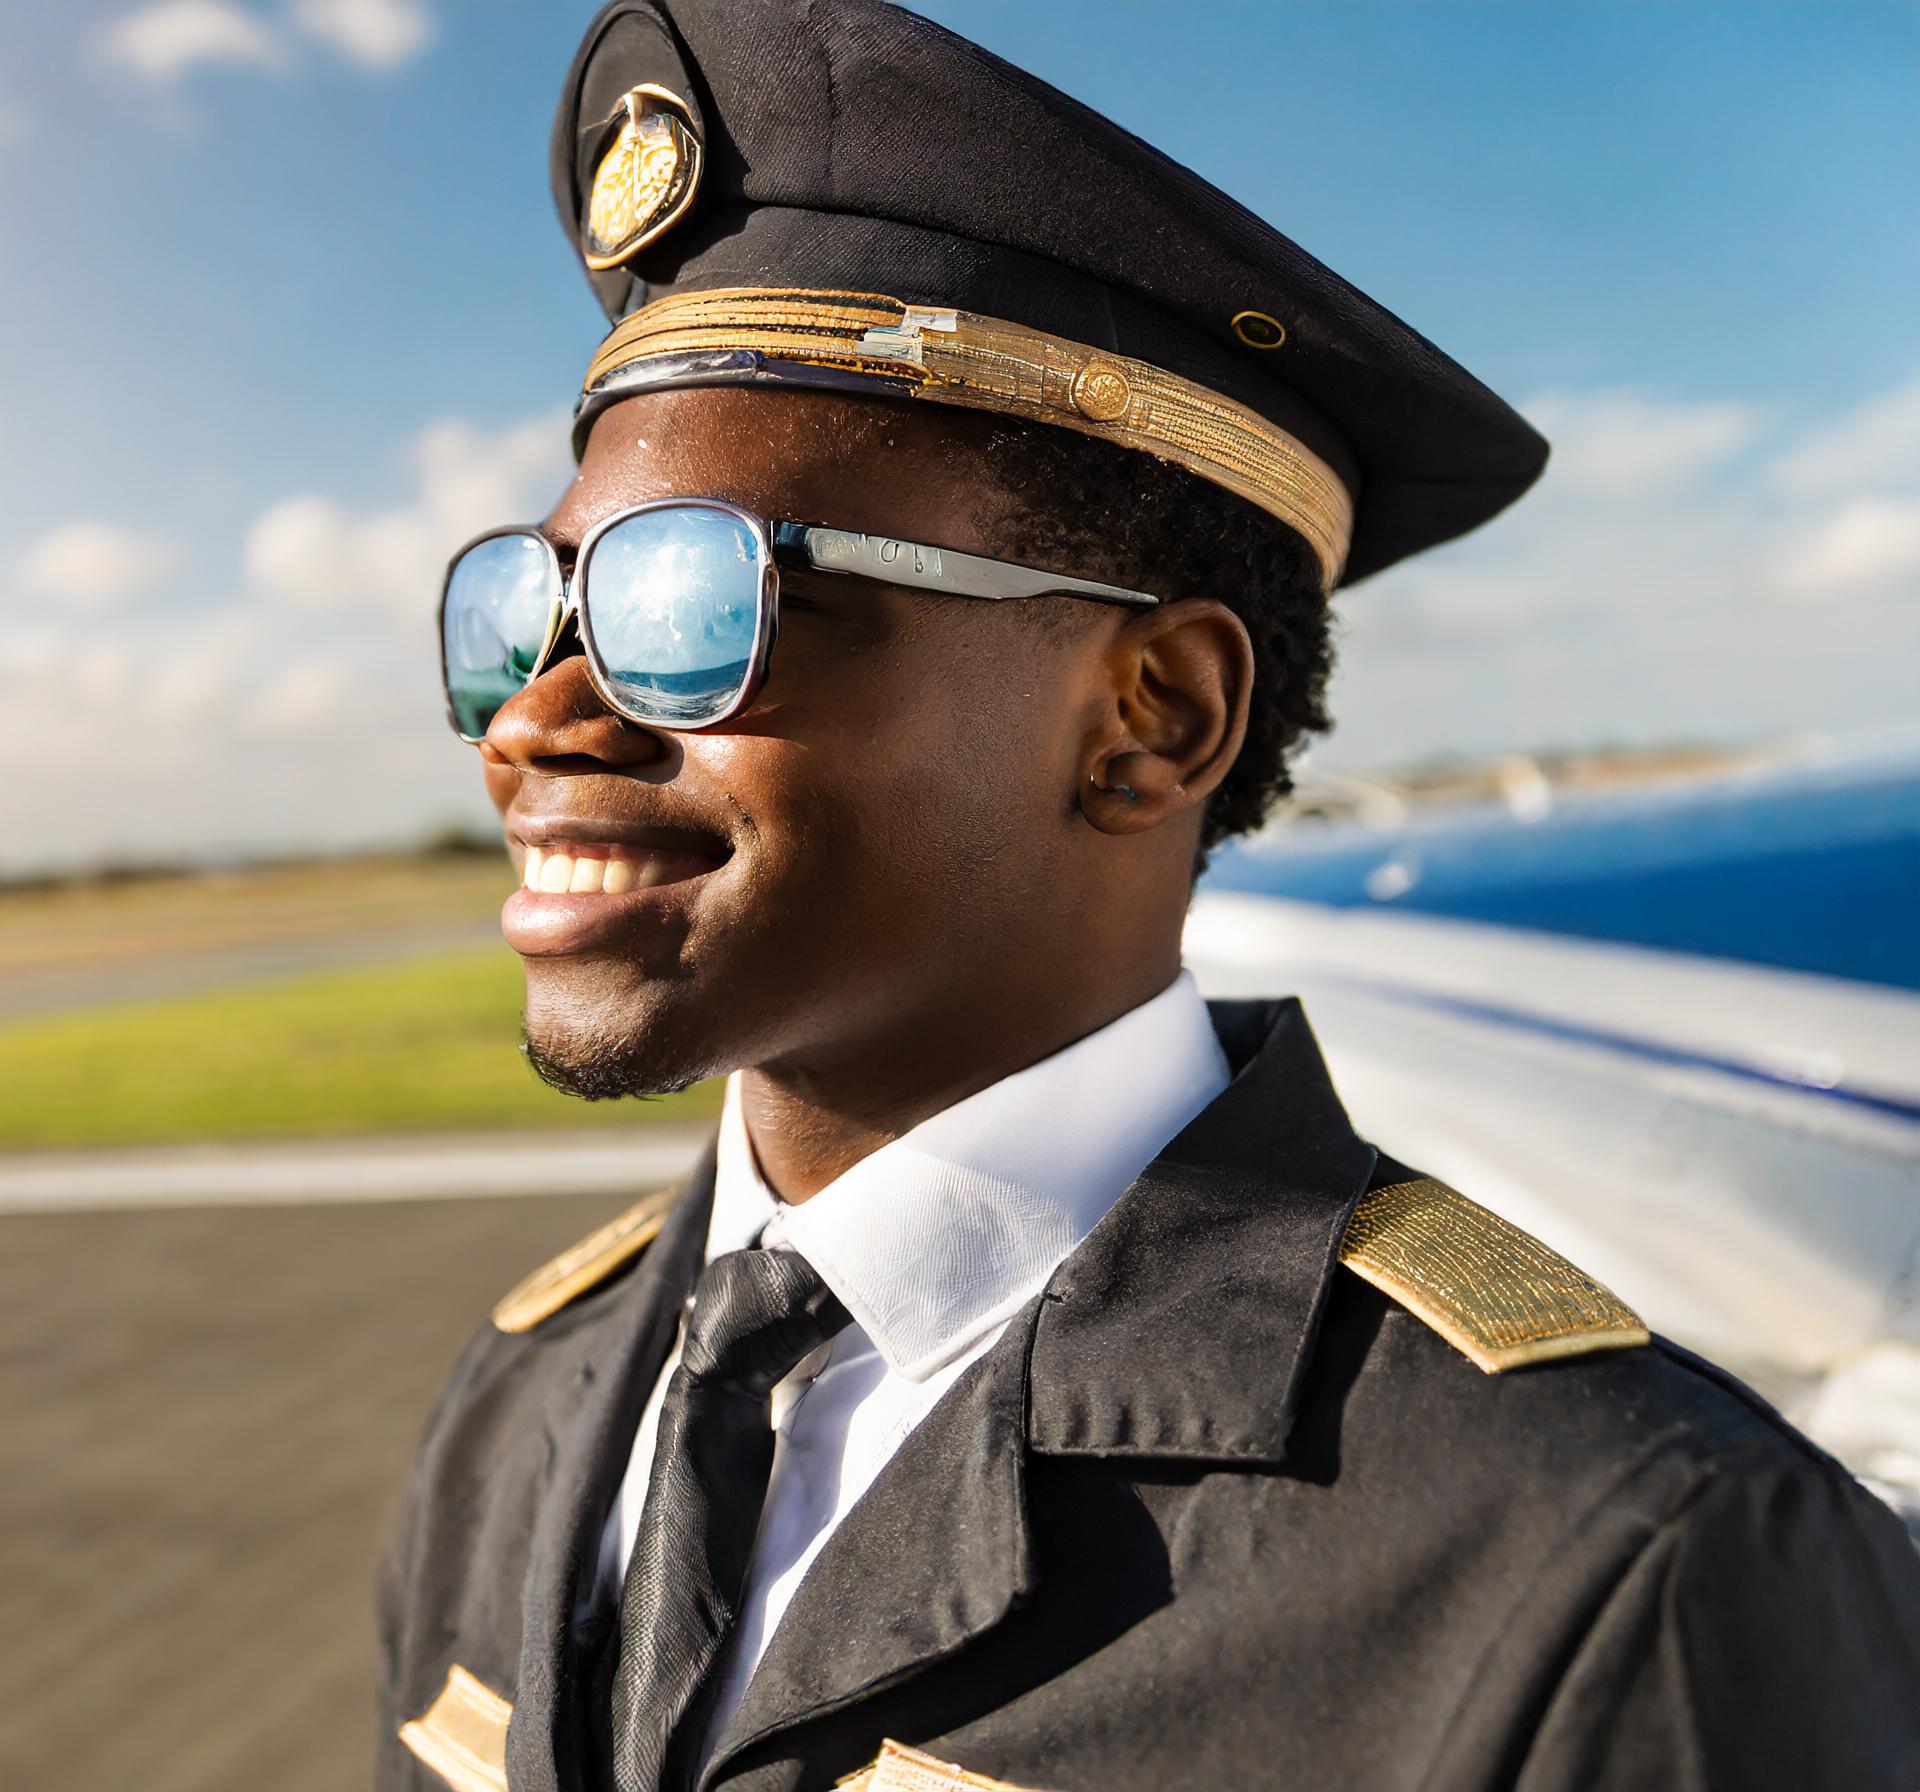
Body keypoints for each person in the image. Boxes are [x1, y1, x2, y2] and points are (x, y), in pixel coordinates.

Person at [378, 3, 1920, 1789]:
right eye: (533, 610)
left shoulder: (1624, 1558)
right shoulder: (524, 1403)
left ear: (1153, 716)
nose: (541, 719)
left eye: (689, 601)